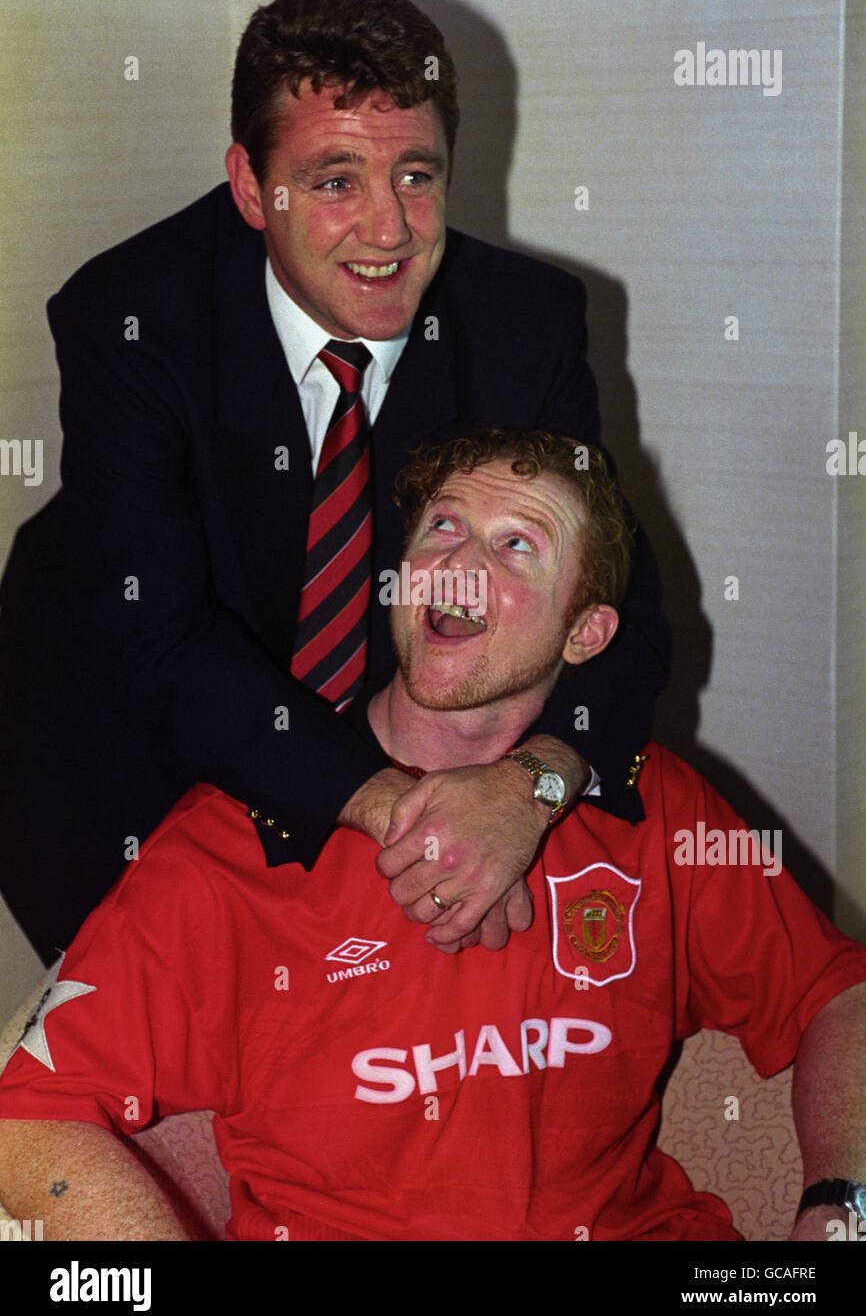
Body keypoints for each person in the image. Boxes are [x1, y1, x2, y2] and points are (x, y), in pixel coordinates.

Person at [0, 429, 863, 1243]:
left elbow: (838, 991)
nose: (457, 563)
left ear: (587, 631)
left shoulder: (651, 803)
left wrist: (841, 1210)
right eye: (443, 527)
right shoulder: (238, 841)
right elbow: (25, 1115)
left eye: (516, 544)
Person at [0, 0, 670, 966]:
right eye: (332, 180)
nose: (389, 229)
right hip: (118, 742)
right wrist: (409, 814)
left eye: (414, 174)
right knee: (166, 1080)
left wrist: (525, 786)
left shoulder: (524, 325)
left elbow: (616, 603)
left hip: (378, 738)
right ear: (246, 185)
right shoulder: (132, 316)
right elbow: (160, 634)